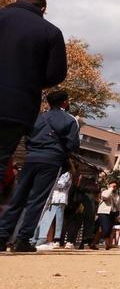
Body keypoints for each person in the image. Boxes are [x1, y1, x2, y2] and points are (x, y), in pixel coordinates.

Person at [0, 0, 67, 189]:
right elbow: (56, 74)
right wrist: (31, 82)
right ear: (43, 9)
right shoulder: (51, 32)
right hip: (15, 108)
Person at [0, 90, 79, 252]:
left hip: (31, 158)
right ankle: (23, 239)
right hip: (52, 161)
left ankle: (2, 235)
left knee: (18, 197)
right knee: (37, 201)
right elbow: (73, 145)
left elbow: (27, 138)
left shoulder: (38, 117)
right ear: (65, 102)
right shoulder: (70, 120)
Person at [92, 180, 120, 250]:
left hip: (112, 213)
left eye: (115, 186)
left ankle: (93, 243)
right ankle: (108, 244)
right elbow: (105, 196)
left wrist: (117, 215)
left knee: (101, 229)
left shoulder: (117, 195)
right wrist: (110, 189)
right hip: (103, 212)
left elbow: (118, 206)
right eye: (113, 186)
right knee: (106, 228)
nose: (114, 187)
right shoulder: (105, 192)